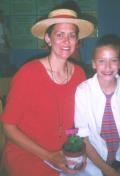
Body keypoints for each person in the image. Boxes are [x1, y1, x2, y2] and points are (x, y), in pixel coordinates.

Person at [0, 7, 94, 176]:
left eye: (72, 35)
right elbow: (8, 127)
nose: (67, 41)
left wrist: (79, 151)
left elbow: (79, 123)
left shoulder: (79, 74)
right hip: (26, 154)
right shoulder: (28, 73)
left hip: (64, 153)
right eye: (59, 35)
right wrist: (49, 156)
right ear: (48, 38)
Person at [74, 34, 120, 176]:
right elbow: (83, 137)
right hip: (93, 160)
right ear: (93, 64)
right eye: (102, 61)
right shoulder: (82, 91)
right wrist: (108, 170)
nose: (108, 67)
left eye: (113, 61)